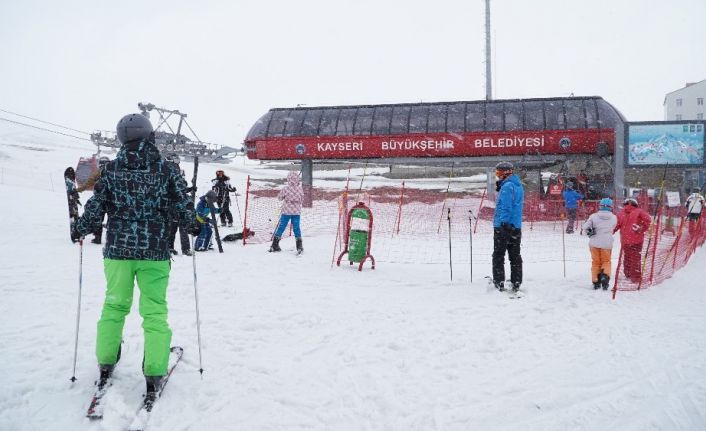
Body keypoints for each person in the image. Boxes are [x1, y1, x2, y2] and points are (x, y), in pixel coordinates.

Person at [70, 113, 199, 407]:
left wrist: (80, 228)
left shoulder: (111, 170)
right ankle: (154, 370)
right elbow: (182, 205)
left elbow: (95, 207)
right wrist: (194, 224)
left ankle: (105, 361)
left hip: (118, 251)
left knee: (114, 305)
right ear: (149, 135)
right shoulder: (166, 170)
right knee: (154, 312)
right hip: (154, 253)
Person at [492, 161, 524, 292]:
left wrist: (504, 223)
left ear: (506, 173)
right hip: (516, 226)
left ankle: (499, 281)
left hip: (503, 226)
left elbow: (506, 207)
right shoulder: (518, 185)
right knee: (515, 255)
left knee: (498, 255)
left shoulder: (507, 187)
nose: (498, 176)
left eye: (499, 173)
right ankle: (516, 281)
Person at [613, 197, 651, 284]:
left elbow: (615, 226)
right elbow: (648, 220)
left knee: (627, 256)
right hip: (637, 240)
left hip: (625, 240)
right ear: (636, 204)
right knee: (636, 258)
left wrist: (608, 232)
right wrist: (641, 228)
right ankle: (636, 277)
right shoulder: (640, 211)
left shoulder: (620, 214)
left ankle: (627, 273)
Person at [581, 198, 617, 290]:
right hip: (607, 243)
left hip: (594, 243)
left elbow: (585, 228)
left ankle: (596, 281)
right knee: (606, 261)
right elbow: (613, 227)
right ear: (611, 207)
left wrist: (589, 232)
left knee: (596, 262)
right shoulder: (614, 217)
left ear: (600, 205)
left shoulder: (593, 216)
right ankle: (605, 277)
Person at [165, 154, 194, 256]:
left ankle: (181, 248)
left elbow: (180, 188)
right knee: (175, 227)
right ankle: (171, 247)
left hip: (179, 205)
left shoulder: (178, 171)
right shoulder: (169, 170)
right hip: (174, 205)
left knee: (179, 227)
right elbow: (175, 189)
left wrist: (189, 189)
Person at [77, 156, 110, 244]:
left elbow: (89, 182)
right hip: (113, 199)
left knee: (98, 217)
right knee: (112, 217)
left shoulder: (99, 172)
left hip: (100, 199)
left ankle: (97, 237)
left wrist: (79, 190)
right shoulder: (114, 172)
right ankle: (109, 237)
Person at [269, 171, 304, 253]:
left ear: (288, 179)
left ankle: (275, 245)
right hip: (296, 212)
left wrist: (287, 198)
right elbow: (302, 199)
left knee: (281, 227)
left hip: (286, 212)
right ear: (297, 179)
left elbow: (280, 198)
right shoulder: (300, 189)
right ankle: (299, 246)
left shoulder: (285, 189)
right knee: (296, 228)